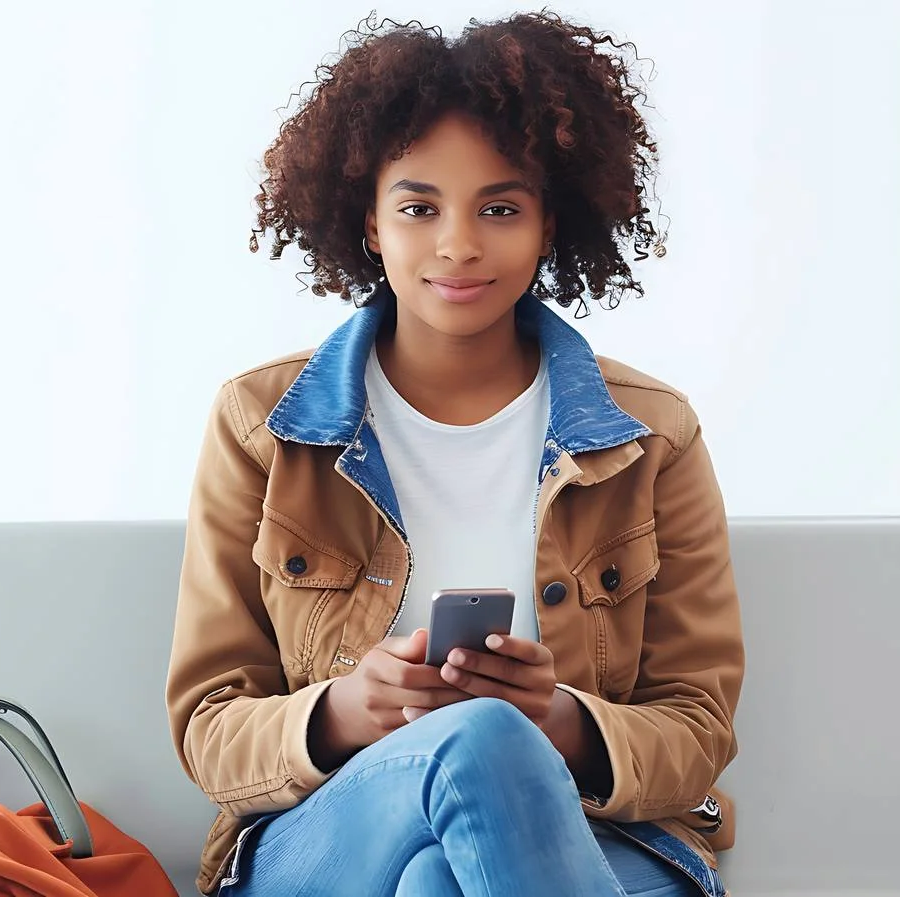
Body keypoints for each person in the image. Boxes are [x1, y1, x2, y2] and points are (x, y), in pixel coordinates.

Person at [164, 11, 745, 897]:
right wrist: (348, 711)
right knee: (478, 741)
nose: (459, 244)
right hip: (333, 836)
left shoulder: (651, 435)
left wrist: (558, 722)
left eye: (501, 207)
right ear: (370, 220)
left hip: (593, 841)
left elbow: (696, 726)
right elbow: (210, 725)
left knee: (444, 877)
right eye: (419, 206)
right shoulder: (263, 425)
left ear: (551, 223)